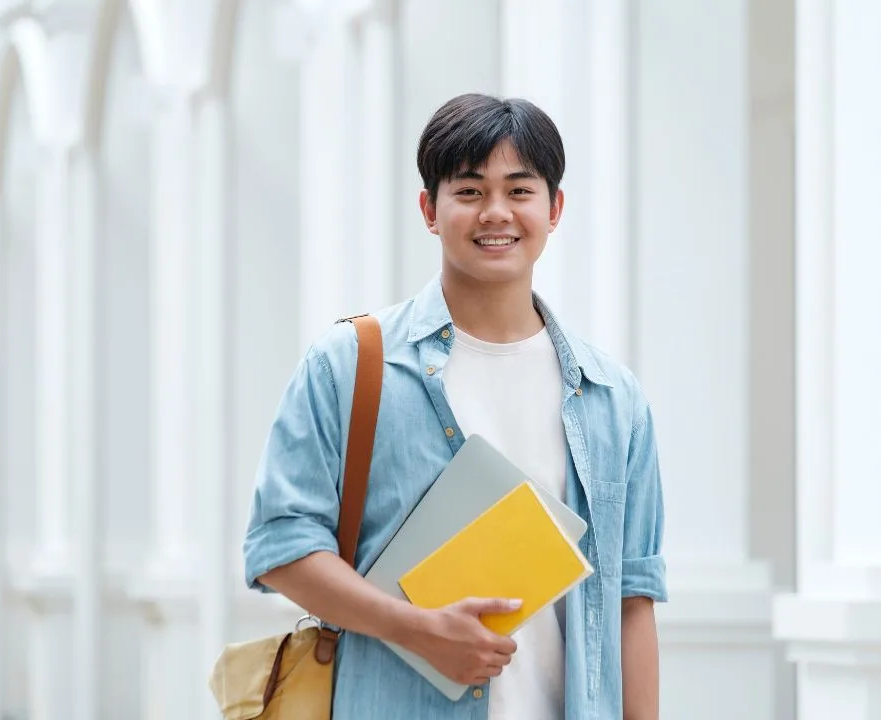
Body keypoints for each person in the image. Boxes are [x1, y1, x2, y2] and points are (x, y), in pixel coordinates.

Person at [243, 92, 667, 719]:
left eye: (519, 191)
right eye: (469, 191)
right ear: (429, 209)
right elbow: (279, 547)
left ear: (554, 209)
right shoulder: (351, 364)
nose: (496, 212)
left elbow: (633, 600)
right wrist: (415, 628)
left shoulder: (613, 398)